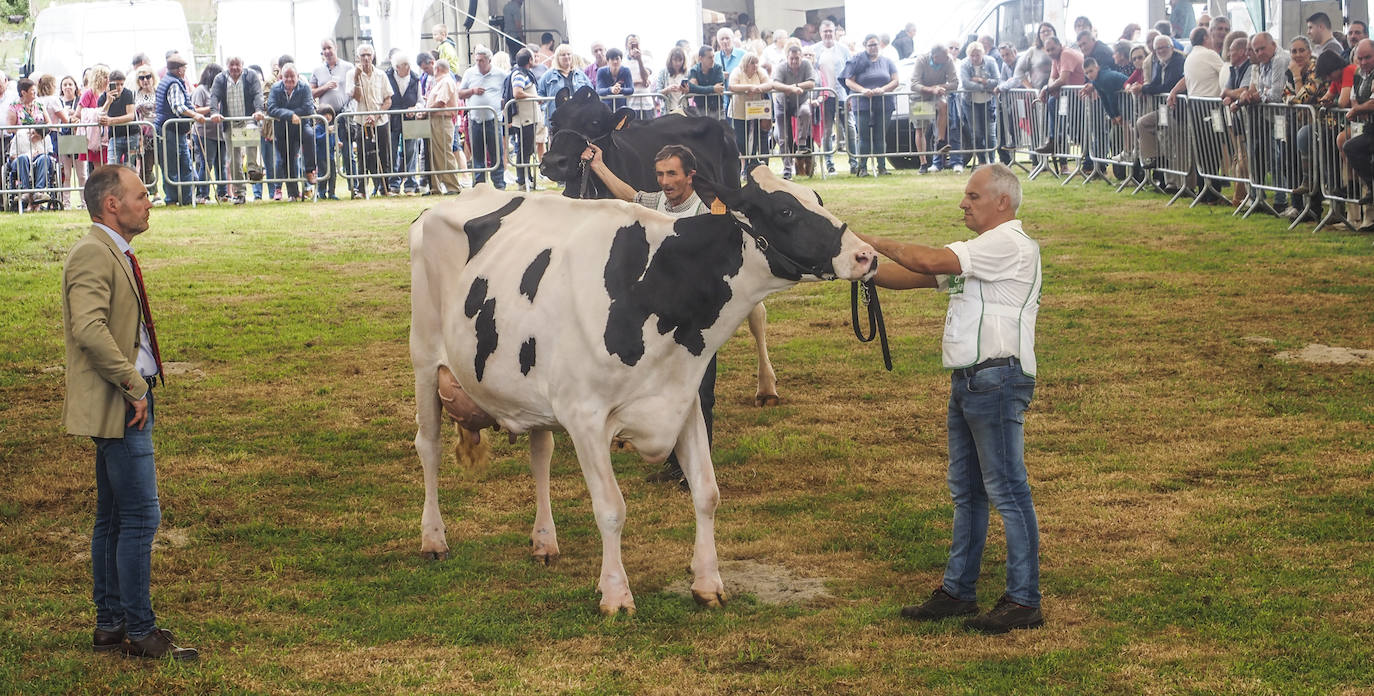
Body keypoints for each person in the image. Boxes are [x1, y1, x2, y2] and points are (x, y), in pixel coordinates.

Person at [856, 164, 1043, 635]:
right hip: (976, 379)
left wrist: (870, 240)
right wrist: (861, 267)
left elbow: (929, 262)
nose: (963, 203)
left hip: (995, 379)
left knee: (1005, 490)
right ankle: (959, 591)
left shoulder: (1008, 244)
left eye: (973, 196)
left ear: (1003, 202)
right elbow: (909, 278)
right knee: (971, 490)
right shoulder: (982, 253)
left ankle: (1023, 601)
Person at [63, 164, 198, 661]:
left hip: (122, 401)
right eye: (141, 195)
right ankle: (140, 631)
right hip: (121, 404)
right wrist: (134, 385)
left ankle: (110, 624)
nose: (149, 202)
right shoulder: (92, 254)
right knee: (140, 516)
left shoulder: (110, 251)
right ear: (112, 205)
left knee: (115, 517)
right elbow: (90, 330)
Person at [580, 142, 717, 487]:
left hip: (696, 321)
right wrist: (599, 167)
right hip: (661, 321)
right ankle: (676, 465)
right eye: (660, 174)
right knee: (667, 393)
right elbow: (630, 196)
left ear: (690, 176)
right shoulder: (657, 202)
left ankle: (697, 472)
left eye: (672, 173)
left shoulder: (705, 211)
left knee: (700, 394)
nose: (666, 181)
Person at [210, 56, 266, 204]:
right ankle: (240, 193)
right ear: (227, 65)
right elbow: (214, 96)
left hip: (247, 119)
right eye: (231, 65)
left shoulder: (250, 76)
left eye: (237, 64)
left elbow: (257, 95)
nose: (234, 68)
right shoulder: (220, 79)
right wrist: (214, 112)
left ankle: (253, 169)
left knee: (251, 132)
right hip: (229, 123)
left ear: (242, 65)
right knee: (234, 160)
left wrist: (259, 110)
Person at [154, 54, 205, 207]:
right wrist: (194, 114)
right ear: (179, 70)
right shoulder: (174, 84)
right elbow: (178, 107)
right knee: (177, 165)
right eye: (184, 67)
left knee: (178, 165)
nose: (185, 70)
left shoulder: (167, 81)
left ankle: (181, 198)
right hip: (171, 130)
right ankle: (177, 198)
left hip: (171, 129)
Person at [846, 34, 899, 177]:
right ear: (865, 45)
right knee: (863, 136)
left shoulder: (887, 61)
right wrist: (863, 90)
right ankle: (862, 168)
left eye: (875, 44)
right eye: (870, 45)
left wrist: (883, 89)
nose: (873, 47)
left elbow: (895, 80)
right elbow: (849, 81)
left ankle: (882, 167)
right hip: (862, 103)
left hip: (883, 102)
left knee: (880, 136)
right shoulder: (857, 60)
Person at [266, 63, 317, 201]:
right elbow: (271, 108)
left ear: (298, 76)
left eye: (292, 76)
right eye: (286, 76)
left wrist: (293, 115)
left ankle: (310, 170)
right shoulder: (276, 88)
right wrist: (289, 115)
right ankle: (292, 193)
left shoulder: (304, 87)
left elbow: (308, 108)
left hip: (301, 125)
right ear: (281, 77)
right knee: (287, 160)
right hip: (283, 129)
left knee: (309, 135)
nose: (289, 79)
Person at [459, 45, 508, 189]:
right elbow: (460, 93)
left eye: (481, 61)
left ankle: (499, 184)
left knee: (496, 153)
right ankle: (479, 185)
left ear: (489, 60)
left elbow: (507, 91)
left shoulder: (500, 74)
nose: (479, 63)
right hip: (475, 120)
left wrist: (504, 104)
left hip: (494, 120)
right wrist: (472, 91)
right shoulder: (470, 73)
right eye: (477, 60)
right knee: (477, 154)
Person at [346, 43, 392, 197]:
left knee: (383, 155)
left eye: (368, 55)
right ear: (358, 58)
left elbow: (388, 100)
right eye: (363, 55)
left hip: (380, 121)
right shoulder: (352, 74)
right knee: (363, 156)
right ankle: (361, 189)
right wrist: (357, 78)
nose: (366, 58)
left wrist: (376, 115)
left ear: (373, 56)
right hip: (361, 121)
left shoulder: (381, 75)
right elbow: (357, 97)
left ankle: (385, 188)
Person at [9, 77, 56, 207]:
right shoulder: (14, 106)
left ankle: (39, 192)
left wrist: (39, 133)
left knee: (44, 158)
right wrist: (24, 134)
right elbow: (9, 128)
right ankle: (25, 191)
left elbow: (49, 124)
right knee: (23, 158)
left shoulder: (39, 104)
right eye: (32, 91)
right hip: (22, 142)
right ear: (23, 92)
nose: (35, 94)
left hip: (41, 141)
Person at [773, 44, 816, 179]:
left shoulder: (807, 65)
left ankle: (801, 143)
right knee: (783, 138)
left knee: (805, 112)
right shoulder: (780, 67)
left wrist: (796, 86)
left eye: (797, 58)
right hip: (782, 103)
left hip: (800, 101)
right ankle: (787, 169)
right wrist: (791, 89)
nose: (794, 61)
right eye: (791, 58)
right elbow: (775, 83)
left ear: (801, 57)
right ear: (787, 57)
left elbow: (811, 83)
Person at [189, 63, 226, 204]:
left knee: (221, 164)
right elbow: (195, 110)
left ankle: (222, 193)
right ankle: (202, 194)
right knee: (206, 164)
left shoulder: (220, 91)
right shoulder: (201, 90)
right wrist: (212, 108)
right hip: (204, 133)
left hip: (221, 133)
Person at [425, 59, 464, 195]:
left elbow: (441, 101)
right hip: (436, 119)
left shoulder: (446, 81)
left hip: (442, 119)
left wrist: (426, 110)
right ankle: (436, 187)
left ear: (437, 69)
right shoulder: (442, 82)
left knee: (444, 153)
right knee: (435, 155)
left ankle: (453, 186)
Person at [728, 53, 773, 167]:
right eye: (752, 63)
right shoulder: (737, 71)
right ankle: (743, 163)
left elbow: (769, 84)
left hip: (754, 112)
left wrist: (758, 88)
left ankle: (751, 165)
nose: (755, 65)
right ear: (746, 63)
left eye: (756, 62)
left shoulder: (760, 72)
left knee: (753, 140)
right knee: (740, 141)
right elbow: (732, 86)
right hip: (738, 112)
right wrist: (749, 88)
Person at [387, 53, 423, 195]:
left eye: (409, 64)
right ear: (397, 67)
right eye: (405, 65)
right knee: (392, 151)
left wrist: (415, 109)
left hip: (410, 120)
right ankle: (393, 184)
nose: (408, 68)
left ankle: (410, 184)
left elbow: (421, 100)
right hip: (393, 119)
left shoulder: (415, 78)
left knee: (411, 151)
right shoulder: (388, 77)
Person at [507, 48, 540, 191]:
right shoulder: (520, 74)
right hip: (524, 119)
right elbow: (517, 92)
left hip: (528, 118)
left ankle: (527, 178)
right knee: (524, 150)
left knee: (527, 149)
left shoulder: (523, 73)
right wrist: (535, 97)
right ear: (529, 60)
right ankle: (522, 179)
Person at [539, 43, 593, 124]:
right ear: (557, 58)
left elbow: (591, 90)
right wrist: (546, 107)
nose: (567, 57)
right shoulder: (548, 75)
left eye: (569, 54)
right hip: (557, 119)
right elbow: (540, 93)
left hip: (579, 117)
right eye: (563, 55)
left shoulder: (580, 74)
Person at [687, 46, 726, 119]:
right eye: (709, 57)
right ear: (701, 58)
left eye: (713, 57)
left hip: (717, 108)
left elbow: (720, 87)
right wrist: (713, 88)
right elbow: (691, 88)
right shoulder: (694, 70)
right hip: (701, 109)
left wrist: (699, 88)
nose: (713, 60)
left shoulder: (718, 68)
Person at [652, 46, 692, 114]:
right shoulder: (663, 73)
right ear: (670, 60)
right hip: (668, 110)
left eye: (680, 60)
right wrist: (668, 89)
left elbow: (691, 94)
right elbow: (657, 93)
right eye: (675, 60)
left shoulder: (687, 73)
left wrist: (686, 91)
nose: (678, 63)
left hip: (683, 109)